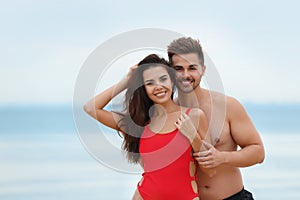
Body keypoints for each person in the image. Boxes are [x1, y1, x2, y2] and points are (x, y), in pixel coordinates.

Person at [83, 54, 212, 200]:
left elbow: (210, 171)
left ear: (172, 81)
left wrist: (193, 136)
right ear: (143, 88)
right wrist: (128, 80)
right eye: (150, 83)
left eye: (163, 79)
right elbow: (90, 108)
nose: (158, 86)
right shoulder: (137, 125)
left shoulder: (194, 116)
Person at [167, 37, 265, 200]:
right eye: (178, 68)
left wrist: (222, 157)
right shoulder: (167, 113)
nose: (186, 75)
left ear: (203, 70)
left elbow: (258, 152)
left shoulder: (227, 106)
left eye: (192, 68)